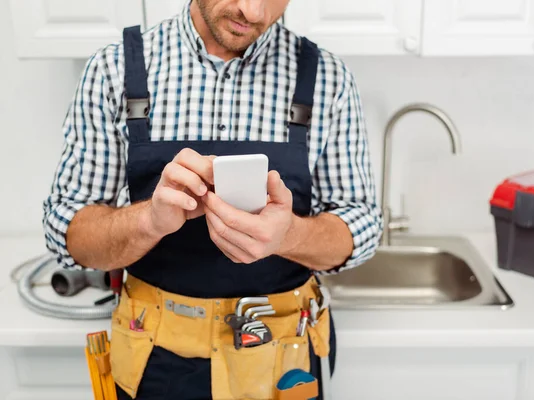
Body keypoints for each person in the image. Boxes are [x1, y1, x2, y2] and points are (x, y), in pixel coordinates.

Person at [42, 0, 382, 398]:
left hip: (280, 362)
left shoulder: (328, 78)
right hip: (153, 360)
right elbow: (67, 235)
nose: (253, 12)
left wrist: (288, 236)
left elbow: (361, 226)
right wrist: (148, 222)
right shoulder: (114, 70)